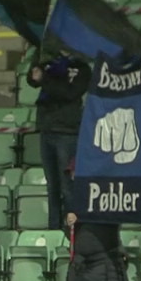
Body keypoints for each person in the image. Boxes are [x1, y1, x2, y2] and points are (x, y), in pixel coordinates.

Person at [27, 52, 91, 230]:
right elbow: (32, 80)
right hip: (46, 130)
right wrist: (37, 61)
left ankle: (73, 230)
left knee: (68, 186)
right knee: (52, 186)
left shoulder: (82, 68)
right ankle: (54, 229)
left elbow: (69, 93)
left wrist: (44, 78)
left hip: (68, 132)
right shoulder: (47, 60)